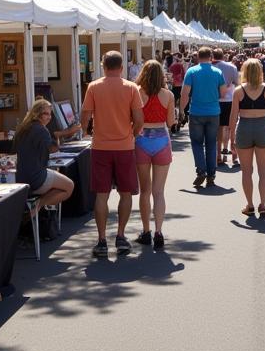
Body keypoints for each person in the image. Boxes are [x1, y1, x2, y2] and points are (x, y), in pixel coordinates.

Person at [81, 51, 145, 257]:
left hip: (100, 146)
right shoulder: (131, 87)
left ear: (103, 66)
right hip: (124, 147)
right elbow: (139, 118)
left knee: (102, 194)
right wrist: (132, 134)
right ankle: (120, 235)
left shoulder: (94, 87)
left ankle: (101, 240)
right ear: (122, 67)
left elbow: (85, 115)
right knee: (125, 193)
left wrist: (86, 131)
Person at [14, 98, 75, 241]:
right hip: (37, 177)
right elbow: (53, 148)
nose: (49, 117)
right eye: (46, 114)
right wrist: (60, 135)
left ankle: (38, 206)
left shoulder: (23, 128)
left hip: (21, 177)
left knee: (58, 180)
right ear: (37, 114)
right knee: (69, 186)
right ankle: (38, 206)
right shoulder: (41, 130)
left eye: (50, 114)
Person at [230, 57, 265, 219]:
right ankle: (263, 204)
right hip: (262, 127)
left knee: (246, 171)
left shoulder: (238, 91)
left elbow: (233, 117)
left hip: (244, 127)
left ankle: (249, 205)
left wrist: (231, 137)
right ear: (260, 72)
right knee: (263, 170)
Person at [134, 59, 174, 251]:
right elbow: (171, 121)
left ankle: (146, 231)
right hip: (161, 141)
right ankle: (159, 232)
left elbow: (131, 119)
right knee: (159, 192)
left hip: (141, 140)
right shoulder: (168, 95)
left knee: (145, 191)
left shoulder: (137, 93)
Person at [180, 47, 226, 188]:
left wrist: (182, 110)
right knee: (211, 143)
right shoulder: (218, 72)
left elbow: (185, 94)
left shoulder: (192, 71)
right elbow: (223, 93)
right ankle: (211, 175)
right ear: (211, 57)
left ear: (197, 57)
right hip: (213, 112)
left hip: (196, 112)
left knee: (197, 143)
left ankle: (201, 171)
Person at [213, 49, 240, 167]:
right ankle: (234, 156)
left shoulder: (211, 68)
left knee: (218, 129)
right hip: (230, 100)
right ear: (223, 56)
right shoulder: (231, 67)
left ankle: (218, 155)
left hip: (216, 101)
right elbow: (237, 83)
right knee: (231, 128)